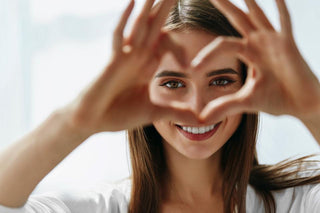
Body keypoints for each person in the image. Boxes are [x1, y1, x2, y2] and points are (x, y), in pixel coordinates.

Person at [0, 0, 319, 212]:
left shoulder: (295, 202)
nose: (197, 106)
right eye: (173, 83)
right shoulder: (98, 207)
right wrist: (75, 122)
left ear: (248, 84)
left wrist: (313, 107)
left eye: (220, 80)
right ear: (143, 90)